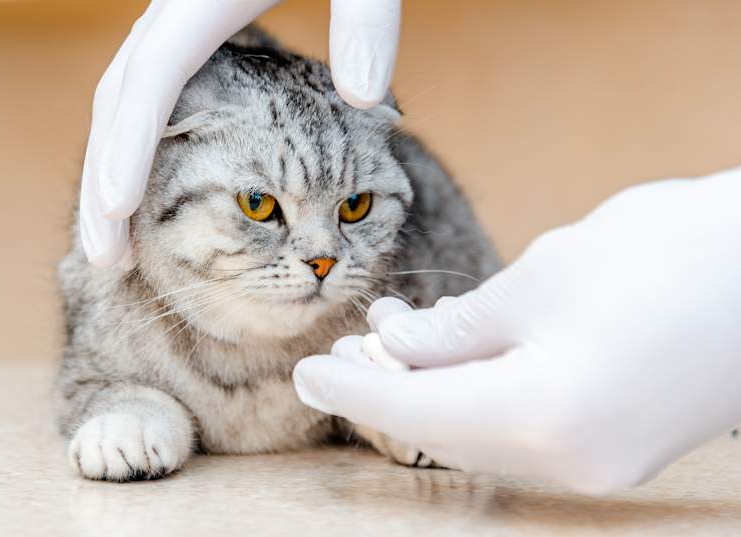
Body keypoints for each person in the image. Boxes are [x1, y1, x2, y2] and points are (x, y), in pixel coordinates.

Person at [79, 0, 741, 495]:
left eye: (355, 208)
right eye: (260, 205)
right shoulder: (125, 308)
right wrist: (134, 407)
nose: (321, 257)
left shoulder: (375, 291)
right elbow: (90, 382)